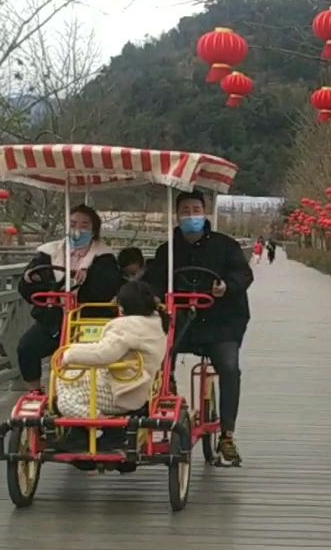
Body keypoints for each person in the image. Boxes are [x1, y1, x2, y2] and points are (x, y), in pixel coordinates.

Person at [143, 190, 253, 466]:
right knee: (154, 356)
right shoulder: (167, 250)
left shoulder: (226, 246)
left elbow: (243, 274)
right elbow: (153, 280)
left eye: (196, 210)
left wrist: (226, 286)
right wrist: (154, 298)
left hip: (221, 321)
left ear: (204, 213)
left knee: (229, 367)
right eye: (185, 211)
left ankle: (227, 434)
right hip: (181, 321)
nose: (191, 216)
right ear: (177, 215)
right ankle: (158, 404)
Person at [16, 204, 125, 393]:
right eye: (73, 224)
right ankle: (35, 392)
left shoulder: (104, 258)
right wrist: (37, 283)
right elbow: (27, 287)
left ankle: (91, 394)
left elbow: (107, 288)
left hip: (88, 320)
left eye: (84, 225)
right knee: (26, 348)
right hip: (53, 319)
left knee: (86, 358)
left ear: (94, 230)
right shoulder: (48, 253)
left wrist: (88, 277)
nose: (78, 230)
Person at [53, 280, 166, 418]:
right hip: (135, 386)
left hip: (120, 393)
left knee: (65, 398)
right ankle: (83, 417)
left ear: (122, 307)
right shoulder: (155, 324)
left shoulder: (126, 326)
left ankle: (100, 422)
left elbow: (102, 354)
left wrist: (69, 354)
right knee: (68, 377)